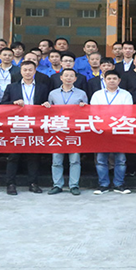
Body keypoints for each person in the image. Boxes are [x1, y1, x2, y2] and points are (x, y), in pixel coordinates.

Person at [1, 61, 50, 196]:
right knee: (13, 156)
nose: (28, 72)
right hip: (17, 125)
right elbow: (3, 104)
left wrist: (46, 105)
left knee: (33, 156)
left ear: (35, 71)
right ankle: (10, 184)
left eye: (30, 70)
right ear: (20, 72)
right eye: (25, 70)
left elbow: (47, 104)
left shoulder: (42, 87)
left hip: (35, 125)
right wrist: (13, 103)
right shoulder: (12, 87)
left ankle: (33, 183)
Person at [44, 68, 88, 196]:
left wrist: (84, 107)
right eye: (66, 75)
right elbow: (48, 112)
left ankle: (74, 185)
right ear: (61, 78)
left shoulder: (81, 94)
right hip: (58, 129)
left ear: (75, 79)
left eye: (71, 76)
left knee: (74, 160)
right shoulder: (53, 94)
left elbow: (87, 112)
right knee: (56, 160)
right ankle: (57, 185)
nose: (68, 78)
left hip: (74, 130)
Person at [90, 70, 133, 194]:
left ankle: (119, 184)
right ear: (104, 80)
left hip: (120, 130)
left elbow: (128, 112)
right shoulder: (97, 95)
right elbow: (94, 112)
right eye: (109, 79)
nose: (112, 81)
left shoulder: (126, 95)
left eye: (114, 78)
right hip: (102, 130)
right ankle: (103, 184)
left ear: (119, 80)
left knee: (120, 159)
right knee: (101, 159)